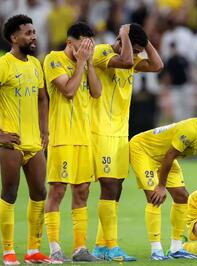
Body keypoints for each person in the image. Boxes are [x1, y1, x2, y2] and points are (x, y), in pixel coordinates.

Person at [129, 102, 197, 260]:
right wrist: (161, 186)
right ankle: (156, 250)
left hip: (165, 157)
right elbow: (169, 156)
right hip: (144, 151)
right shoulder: (189, 131)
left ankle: (176, 248)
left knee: (182, 197)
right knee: (155, 197)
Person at [91, 23, 163, 261]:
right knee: (109, 185)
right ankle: (111, 247)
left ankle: (101, 245)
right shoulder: (102, 52)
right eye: (136, 49)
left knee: (117, 187)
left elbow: (157, 65)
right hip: (100, 131)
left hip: (120, 133)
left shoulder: (131, 60)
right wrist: (124, 34)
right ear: (121, 42)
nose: (138, 55)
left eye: (140, 51)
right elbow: (123, 61)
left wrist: (145, 40)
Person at [43, 22, 102, 263]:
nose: (87, 49)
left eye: (90, 45)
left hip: (84, 138)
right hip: (62, 138)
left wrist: (87, 64)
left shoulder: (85, 62)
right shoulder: (53, 59)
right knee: (57, 191)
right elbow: (68, 91)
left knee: (83, 191)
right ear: (70, 43)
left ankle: (80, 249)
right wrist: (80, 63)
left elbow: (96, 92)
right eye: (83, 45)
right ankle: (55, 248)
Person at [0, 14, 50, 265]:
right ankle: (8, 251)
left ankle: (32, 251)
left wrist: (45, 130)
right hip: (10, 142)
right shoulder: (3, 65)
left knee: (40, 192)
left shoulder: (35, 65)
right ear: (14, 37)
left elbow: (42, 99)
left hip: (34, 142)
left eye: (34, 32)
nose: (34, 37)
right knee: (9, 192)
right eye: (28, 33)